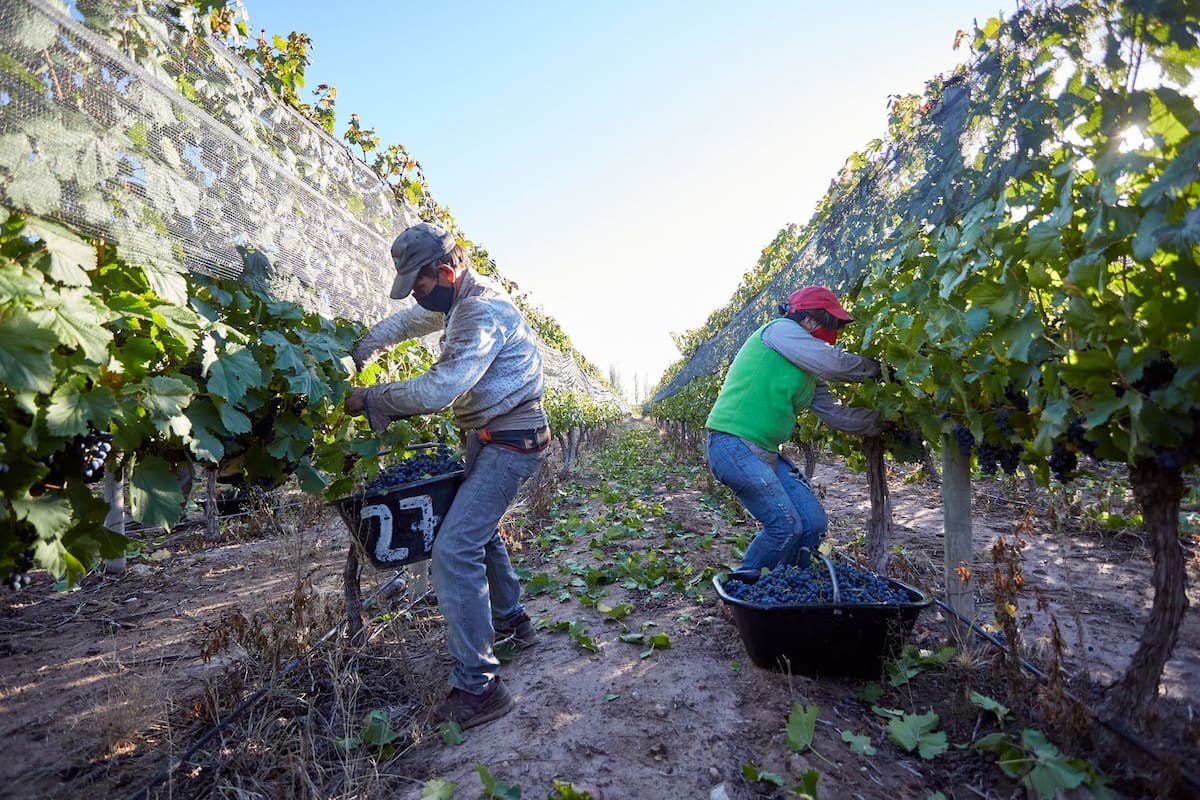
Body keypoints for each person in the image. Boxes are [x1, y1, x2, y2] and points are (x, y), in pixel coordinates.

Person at [345, 221, 550, 730]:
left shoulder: (478, 310)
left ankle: (480, 687)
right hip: (493, 435)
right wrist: (363, 348)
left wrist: (371, 399)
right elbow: (409, 322)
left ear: (444, 272)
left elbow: (439, 390)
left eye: (419, 285)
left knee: (454, 548)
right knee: (477, 532)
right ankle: (513, 620)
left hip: (512, 441)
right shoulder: (456, 298)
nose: (418, 297)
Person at [704, 285, 882, 573]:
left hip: (764, 452)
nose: (834, 333)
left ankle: (790, 584)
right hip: (731, 445)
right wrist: (877, 369)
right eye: (832, 324)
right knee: (785, 526)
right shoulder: (779, 331)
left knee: (813, 524)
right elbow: (833, 363)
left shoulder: (807, 373)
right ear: (808, 320)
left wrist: (886, 423)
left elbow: (837, 414)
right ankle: (742, 588)